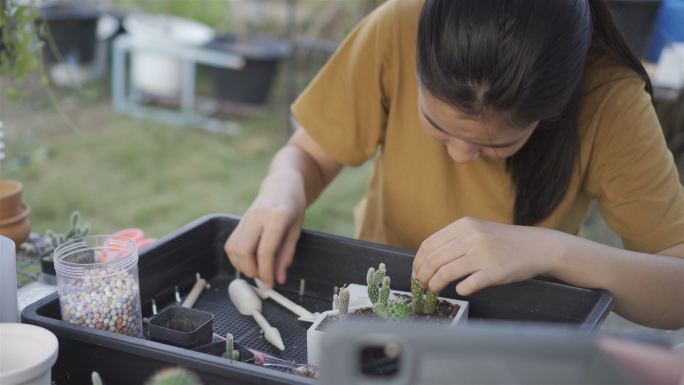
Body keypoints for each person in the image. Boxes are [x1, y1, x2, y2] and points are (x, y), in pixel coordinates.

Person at [225, 0, 684, 329]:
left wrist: (552, 251)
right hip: (381, 312)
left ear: (554, 110)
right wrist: (282, 187)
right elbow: (307, 153)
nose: (460, 156)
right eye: (436, 125)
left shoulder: (610, 98)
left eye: (495, 144)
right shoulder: (400, 25)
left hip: (518, 334)